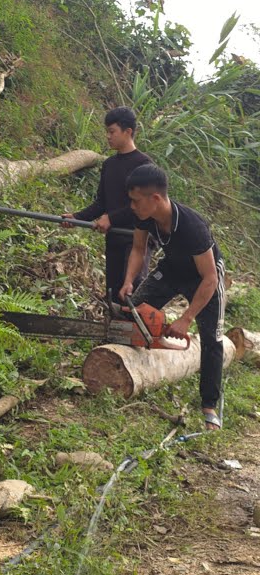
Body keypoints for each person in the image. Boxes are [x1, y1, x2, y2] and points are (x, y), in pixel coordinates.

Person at [120, 163, 227, 430]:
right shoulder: (145, 215)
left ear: (155, 198)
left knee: (212, 338)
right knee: (135, 311)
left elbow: (210, 278)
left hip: (204, 277)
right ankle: (132, 362)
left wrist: (186, 318)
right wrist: (129, 280)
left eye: (136, 200)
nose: (132, 206)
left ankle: (209, 406)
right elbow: (138, 249)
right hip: (172, 269)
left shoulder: (192, 227)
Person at [62, 106, 153, 305]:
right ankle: (112, 324)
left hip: (136, 238)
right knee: (113, 293)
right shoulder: (109, 165)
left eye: (112, 131)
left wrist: (112, 218)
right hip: (114, 238)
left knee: (133, 290)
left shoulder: (144, 165)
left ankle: (138, 325)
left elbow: (145, 205)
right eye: (107, 131)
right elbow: (102, 203)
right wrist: (77, 217)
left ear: (127, 132)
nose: (108, 136)